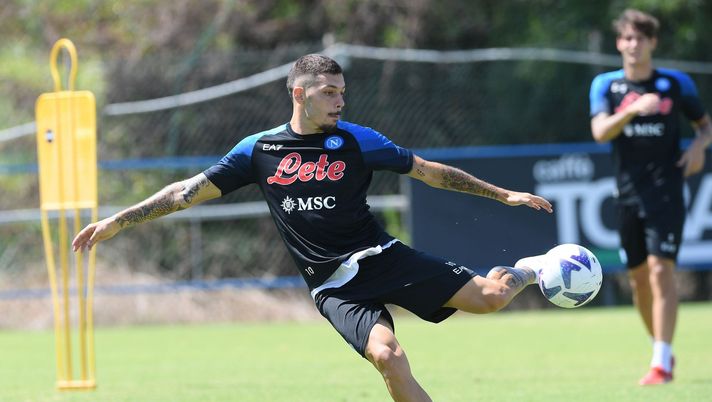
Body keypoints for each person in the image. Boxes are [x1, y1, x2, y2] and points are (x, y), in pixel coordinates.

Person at [73, 54, 553, 401]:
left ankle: (530, 269)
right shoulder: (258, 150)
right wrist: (119, 220)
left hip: (384, 258)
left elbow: (428, 172)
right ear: (299, 94)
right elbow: (185, 192)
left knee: (492, 299)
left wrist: (502, 194)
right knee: (388, 357)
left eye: (342, 92)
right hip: (333, 287)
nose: (340, 101)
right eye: (329, 93)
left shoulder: (358, 140)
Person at [589, 9, 712, 385]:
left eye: (640, 38)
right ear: (618, 43)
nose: (633, 45)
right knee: (638, 280)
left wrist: (699, 147)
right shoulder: (606, 86)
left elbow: (704, 126)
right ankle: (661, 347)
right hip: (627, 195)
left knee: (661, 271)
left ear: (652, 42)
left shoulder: (676, 84)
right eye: (627, 38)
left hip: (667, 191)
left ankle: (661, 361)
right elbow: (600, 132)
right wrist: (631, 110)